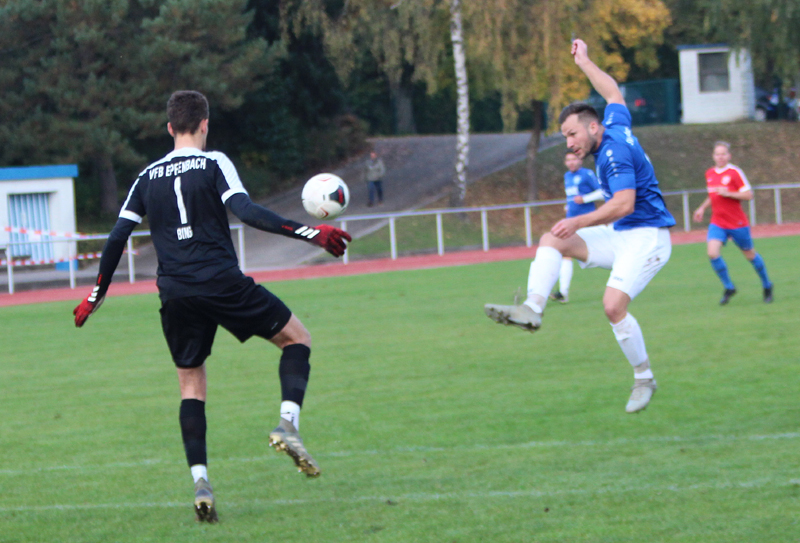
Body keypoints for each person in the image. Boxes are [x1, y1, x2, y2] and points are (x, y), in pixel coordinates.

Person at [72, 90, 351, 523]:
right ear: (205, 124)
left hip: (176, 292)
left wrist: (96, 294)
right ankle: (287, 424)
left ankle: (201, 482)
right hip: (221, 282)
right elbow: (247, 211)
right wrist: (309, 233)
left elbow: (115, 239)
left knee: (191, 385)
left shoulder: (146, 176)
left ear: (169, 128)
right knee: (297, 338)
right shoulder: (214, 162)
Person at [484, 39, 676, 414]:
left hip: (648, 238)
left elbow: (624, 204)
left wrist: (578, 219)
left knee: (612, 306)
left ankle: (643, 377)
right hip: (622, 235)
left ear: (591, 127)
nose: (569, 143)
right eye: (565, 137)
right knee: (551, 240)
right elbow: (612, 92)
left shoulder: (614, 152)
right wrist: (585, 62)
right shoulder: (614, 123)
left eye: (572, 135)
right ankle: (532, 309)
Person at [692, 141, 773, 304]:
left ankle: (767, 285)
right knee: (712, 252)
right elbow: (713, 194)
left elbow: (749, 195)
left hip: (737, 222)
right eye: (717, 154)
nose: (720, 157)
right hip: (718, 222)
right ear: (713, 156)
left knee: (750, 255)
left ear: (729, 156)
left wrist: (729, 193)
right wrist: (701, 208)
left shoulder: (735, 172)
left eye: (723, 154)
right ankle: (729, 287)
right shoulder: (710, 173)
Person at [550, 150, 604, 304]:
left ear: (580, 160)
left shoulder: (587, 174)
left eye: (574, 159)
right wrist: (568, 206)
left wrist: (586, 198)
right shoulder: (567, 176)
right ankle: (563, 293)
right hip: (571, 221)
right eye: (568, 160)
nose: (571, 162)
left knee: (598, 253)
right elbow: (572, 197)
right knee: (564, 253)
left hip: (587, 222)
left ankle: (623, 276)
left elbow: (603, 192)